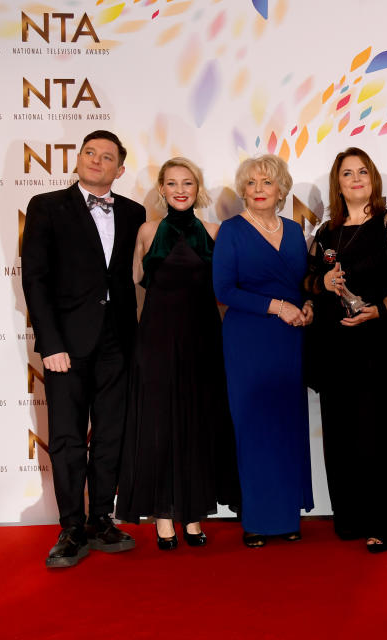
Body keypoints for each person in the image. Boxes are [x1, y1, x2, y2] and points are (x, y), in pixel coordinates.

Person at [21, 130, 146, 568]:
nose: (96, 161)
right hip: (66, 345)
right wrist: (49, 342)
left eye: (107, 156)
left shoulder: (135, 212)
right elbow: (35, 280)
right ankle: (71, 528)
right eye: (90, 153)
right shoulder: (47, 207)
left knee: (111, 435)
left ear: (120, 169)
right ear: (78, 160)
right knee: (68, 438)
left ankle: (101, 520)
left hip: (118, 342)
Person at [304, 147, 387, 553]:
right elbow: (306, 282)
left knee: (371, 436)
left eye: (362, 172)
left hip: (374, 346)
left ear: (372, 178)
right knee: (337, 436)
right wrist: (323, 283)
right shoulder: (325, 234)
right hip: (333, 347)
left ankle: (382, 524)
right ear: (337, 184)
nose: (355, 179)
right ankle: (350, 519)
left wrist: (379, 308)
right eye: (346, 174)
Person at [115, 157, 240, 550]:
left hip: (203, 339)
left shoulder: (216, 231)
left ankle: (193, 514)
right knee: (159, 426)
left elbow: (228, 288)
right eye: (172, 183)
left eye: (188, 182)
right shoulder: (147, 230)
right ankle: (164, 516)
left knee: (197, 424)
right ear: (162, 189)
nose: (180, 189)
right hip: (155, 340)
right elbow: (131, 280)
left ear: (197, 188)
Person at [212, 154, 314, 547]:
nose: (258, 190)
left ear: (280, 189)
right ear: (243, 189)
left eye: (266, 183)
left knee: (286, 425)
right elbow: (223, 290)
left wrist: (307, 306)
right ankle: (257, 520)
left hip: (289, 340)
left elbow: (304, 284)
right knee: (253, 426)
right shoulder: (231, 230)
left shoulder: (292, 231)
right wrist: (278, 307)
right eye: (251, 183)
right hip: (248, 339)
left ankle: (286, 516)